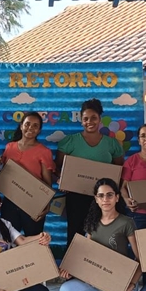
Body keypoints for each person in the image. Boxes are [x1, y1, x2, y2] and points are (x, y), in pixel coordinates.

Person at [58, 178, 144, 291]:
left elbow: (141, 259)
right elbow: (86, 256)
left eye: (110, 195)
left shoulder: (127, 223)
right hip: (98, 282)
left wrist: (130, 286)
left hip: (120, 284)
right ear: (96, 199)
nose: (106, 199)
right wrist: (72, 271)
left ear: (117, 197)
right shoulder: (92, 222)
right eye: (101, 196)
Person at [55, 98, 125, 248]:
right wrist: (62, 180)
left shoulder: (112, 143)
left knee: (103, 233)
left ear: (100, 119)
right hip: (76, 197)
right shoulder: (70, 141)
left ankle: (99, 268)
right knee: (75, 232)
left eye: (94, 118)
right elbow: (58, 168)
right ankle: (72, 267)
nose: (89, 122)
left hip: (103, 198)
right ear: (81, 120)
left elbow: (119, 172)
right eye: (85, 118)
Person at [0, 112, 55, 236]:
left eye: (35, 126)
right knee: (8, 240)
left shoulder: (44, 152)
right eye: (27, 124)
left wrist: (46, 204)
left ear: (39, 130)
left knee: (34, 241)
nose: (30, 128)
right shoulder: (10, 147)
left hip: (33, 203)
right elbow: (4, 173)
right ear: (21, 126)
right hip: (10, 202)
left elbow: (47, 183)